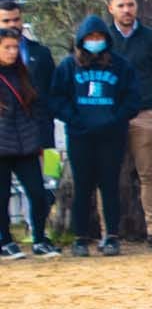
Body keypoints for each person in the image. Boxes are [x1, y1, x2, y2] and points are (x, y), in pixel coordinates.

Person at [51, 16, 138, 256]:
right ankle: (80, 238)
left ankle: (111, 236)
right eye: (90, 38)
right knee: (83, 187)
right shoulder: (69, 66)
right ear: (81, 40)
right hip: (80, 136)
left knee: (110, 186)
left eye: (99, 38)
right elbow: (56, 99)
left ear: (106, 40)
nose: (95, 42)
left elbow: (132, 99)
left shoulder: (120, 66)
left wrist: (115, 119)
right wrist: (75, 120)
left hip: (111, 136)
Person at [105, 0, 152, 248]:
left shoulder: (151, 39)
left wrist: (143, 96)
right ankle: (109, 233)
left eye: (130, 5)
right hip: (110, 116)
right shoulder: (103, 40)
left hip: (144, 114)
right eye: (120, 5)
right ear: (111, 8)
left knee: (149, 174)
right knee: (108, 174)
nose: (126, 10)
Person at [0, 28, 57, 257]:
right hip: (2, 146)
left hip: (26, 144)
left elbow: (37, 106)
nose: (12, 52)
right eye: (7, 47)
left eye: (15, 47)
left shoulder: (24, 74)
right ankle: (5, 240)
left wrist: (40, 139)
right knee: (2, 196)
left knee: (36, 192)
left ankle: (40, 238)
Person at [0, 0, 55, 169]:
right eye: (6, 21)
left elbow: (53, 89)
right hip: (6, 139)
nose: (12, 25)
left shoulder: (41, 52)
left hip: (44, 132)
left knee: (52, 178)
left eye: (16, 19)